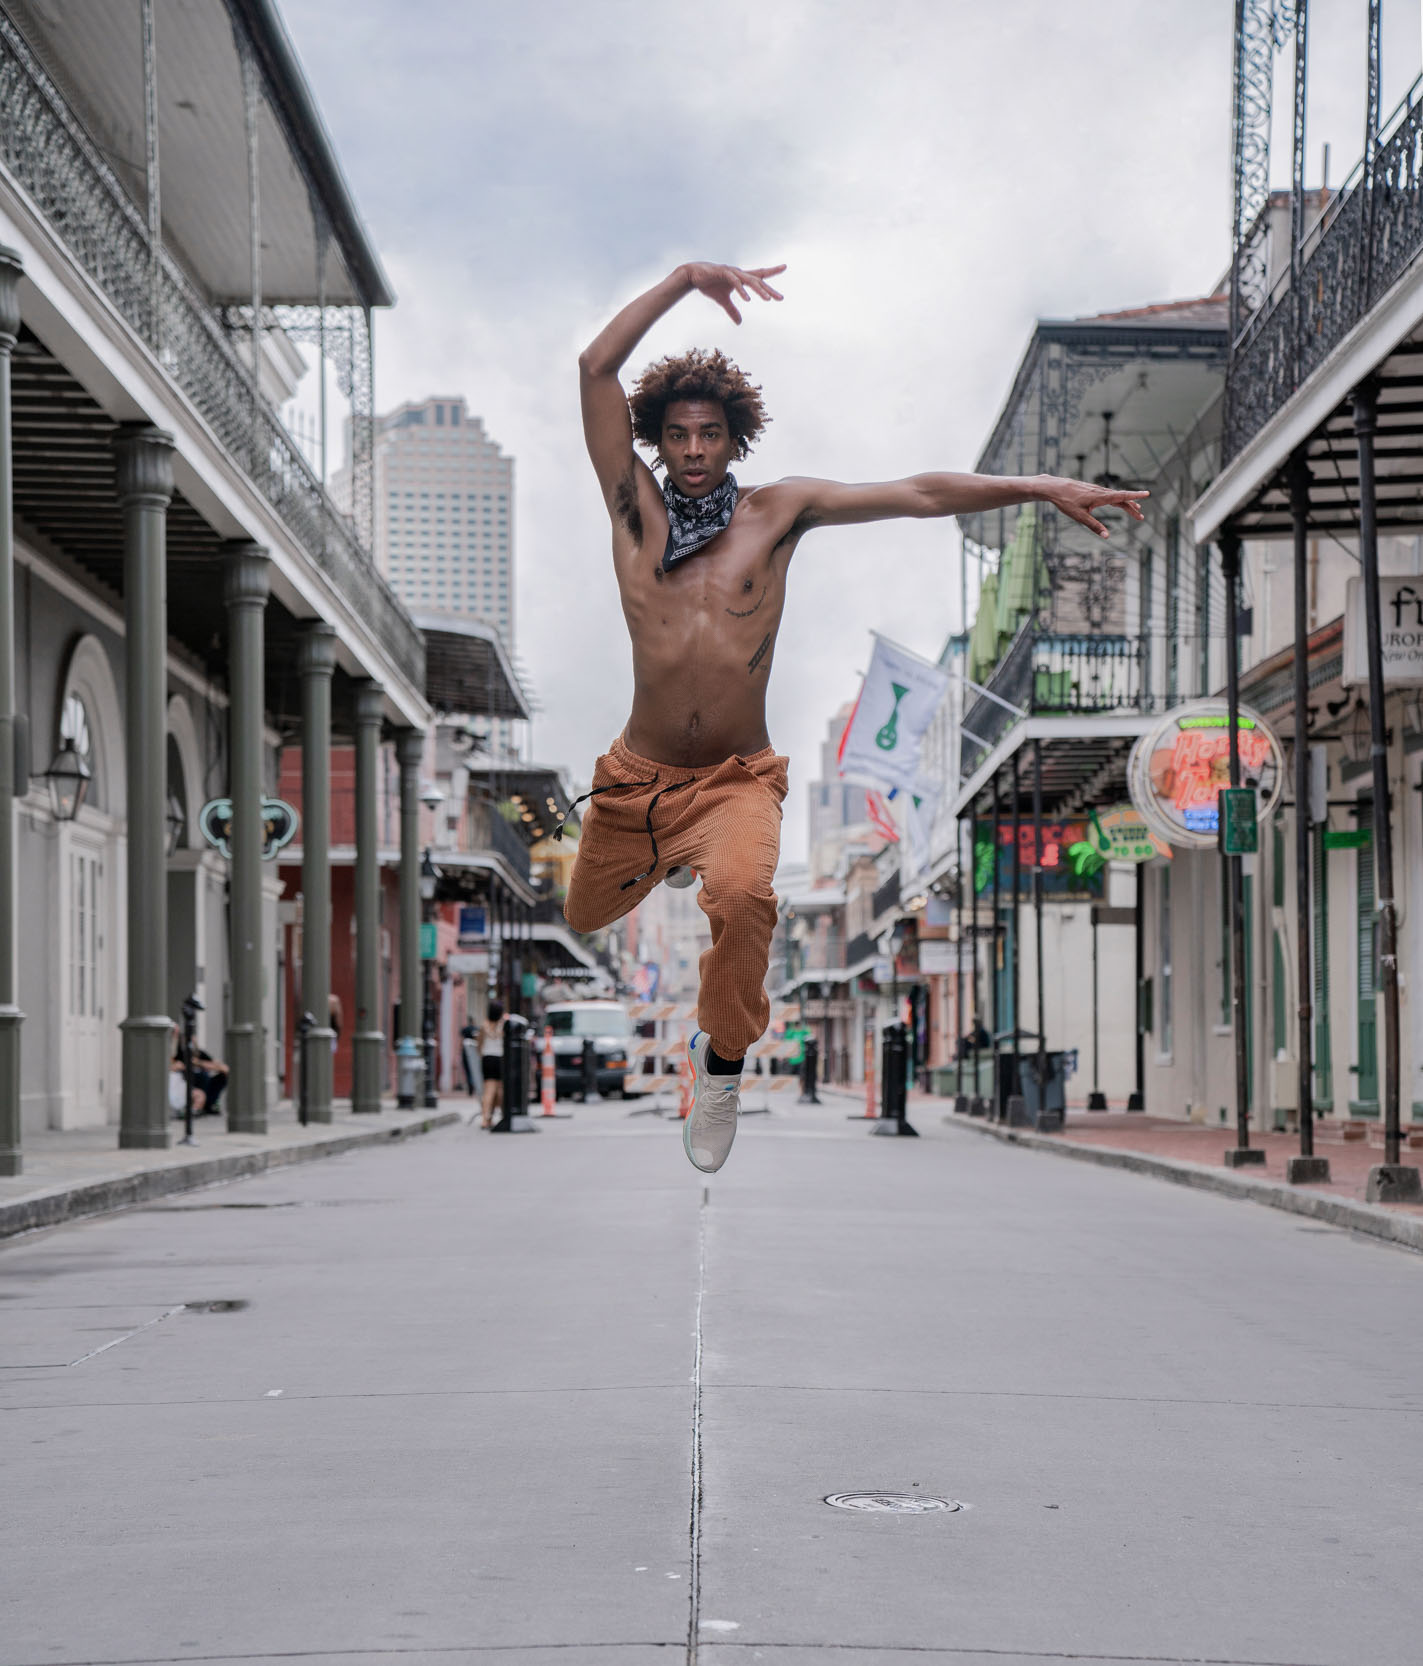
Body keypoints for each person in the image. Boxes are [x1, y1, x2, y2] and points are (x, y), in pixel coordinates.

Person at [566, 260, 1147, 1175]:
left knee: (747, 897)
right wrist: (683, 279)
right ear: (656, 438)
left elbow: (914, 494)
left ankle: (717, 1064)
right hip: (638, 777)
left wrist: (1035, 487)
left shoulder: (777, 514)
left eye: (707, 435)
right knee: (588, 909)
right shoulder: (632, 512)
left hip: (733, 778)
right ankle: (667, 858)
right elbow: (596, 369)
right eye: (674, 435)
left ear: (732, 439)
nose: (689, 451)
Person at [478, 1000, 505, 1131]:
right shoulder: (503, 1026)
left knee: (489, 1090)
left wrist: (481, 1055)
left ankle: (485, 1118)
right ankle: (500, 1115)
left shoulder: (484, 1026)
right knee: (499, 1090)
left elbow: (479, 1044)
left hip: (487, 1059)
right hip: (500, 1059)